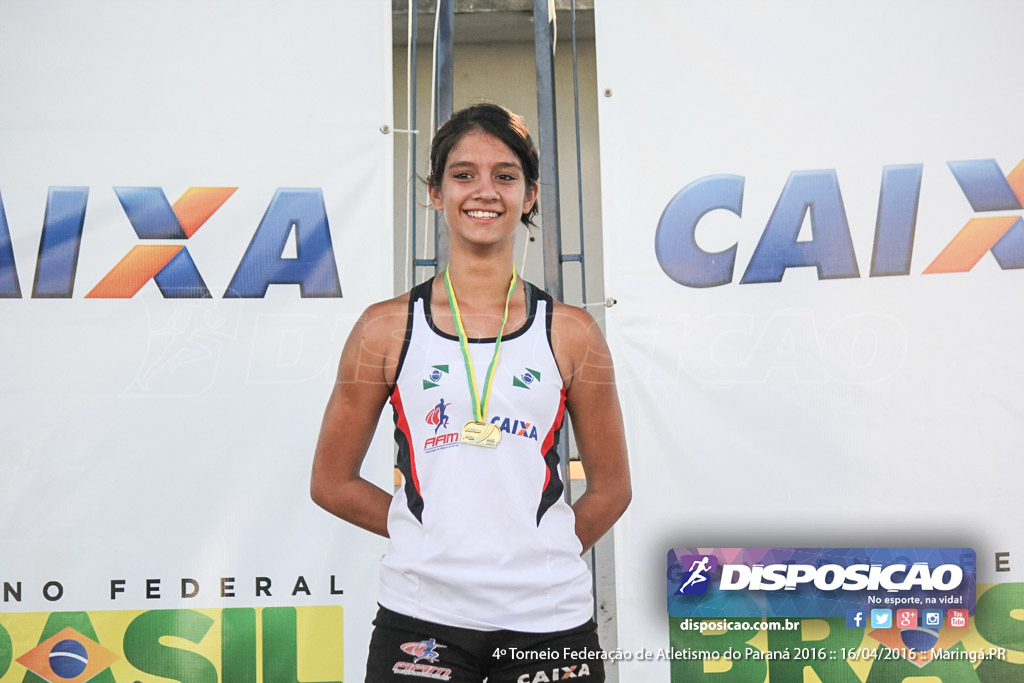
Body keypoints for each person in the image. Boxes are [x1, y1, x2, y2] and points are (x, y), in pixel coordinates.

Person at [310, 103, 631, 683]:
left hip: (550, 619)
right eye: (463, 174)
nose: (484, 191)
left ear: (530, 195)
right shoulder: (383, 328)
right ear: (435, 193)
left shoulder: (573, 332)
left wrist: (536, 553)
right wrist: (436, 537)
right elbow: (331, 482)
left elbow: (613, 488)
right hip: (421, 617)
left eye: (505, 176)